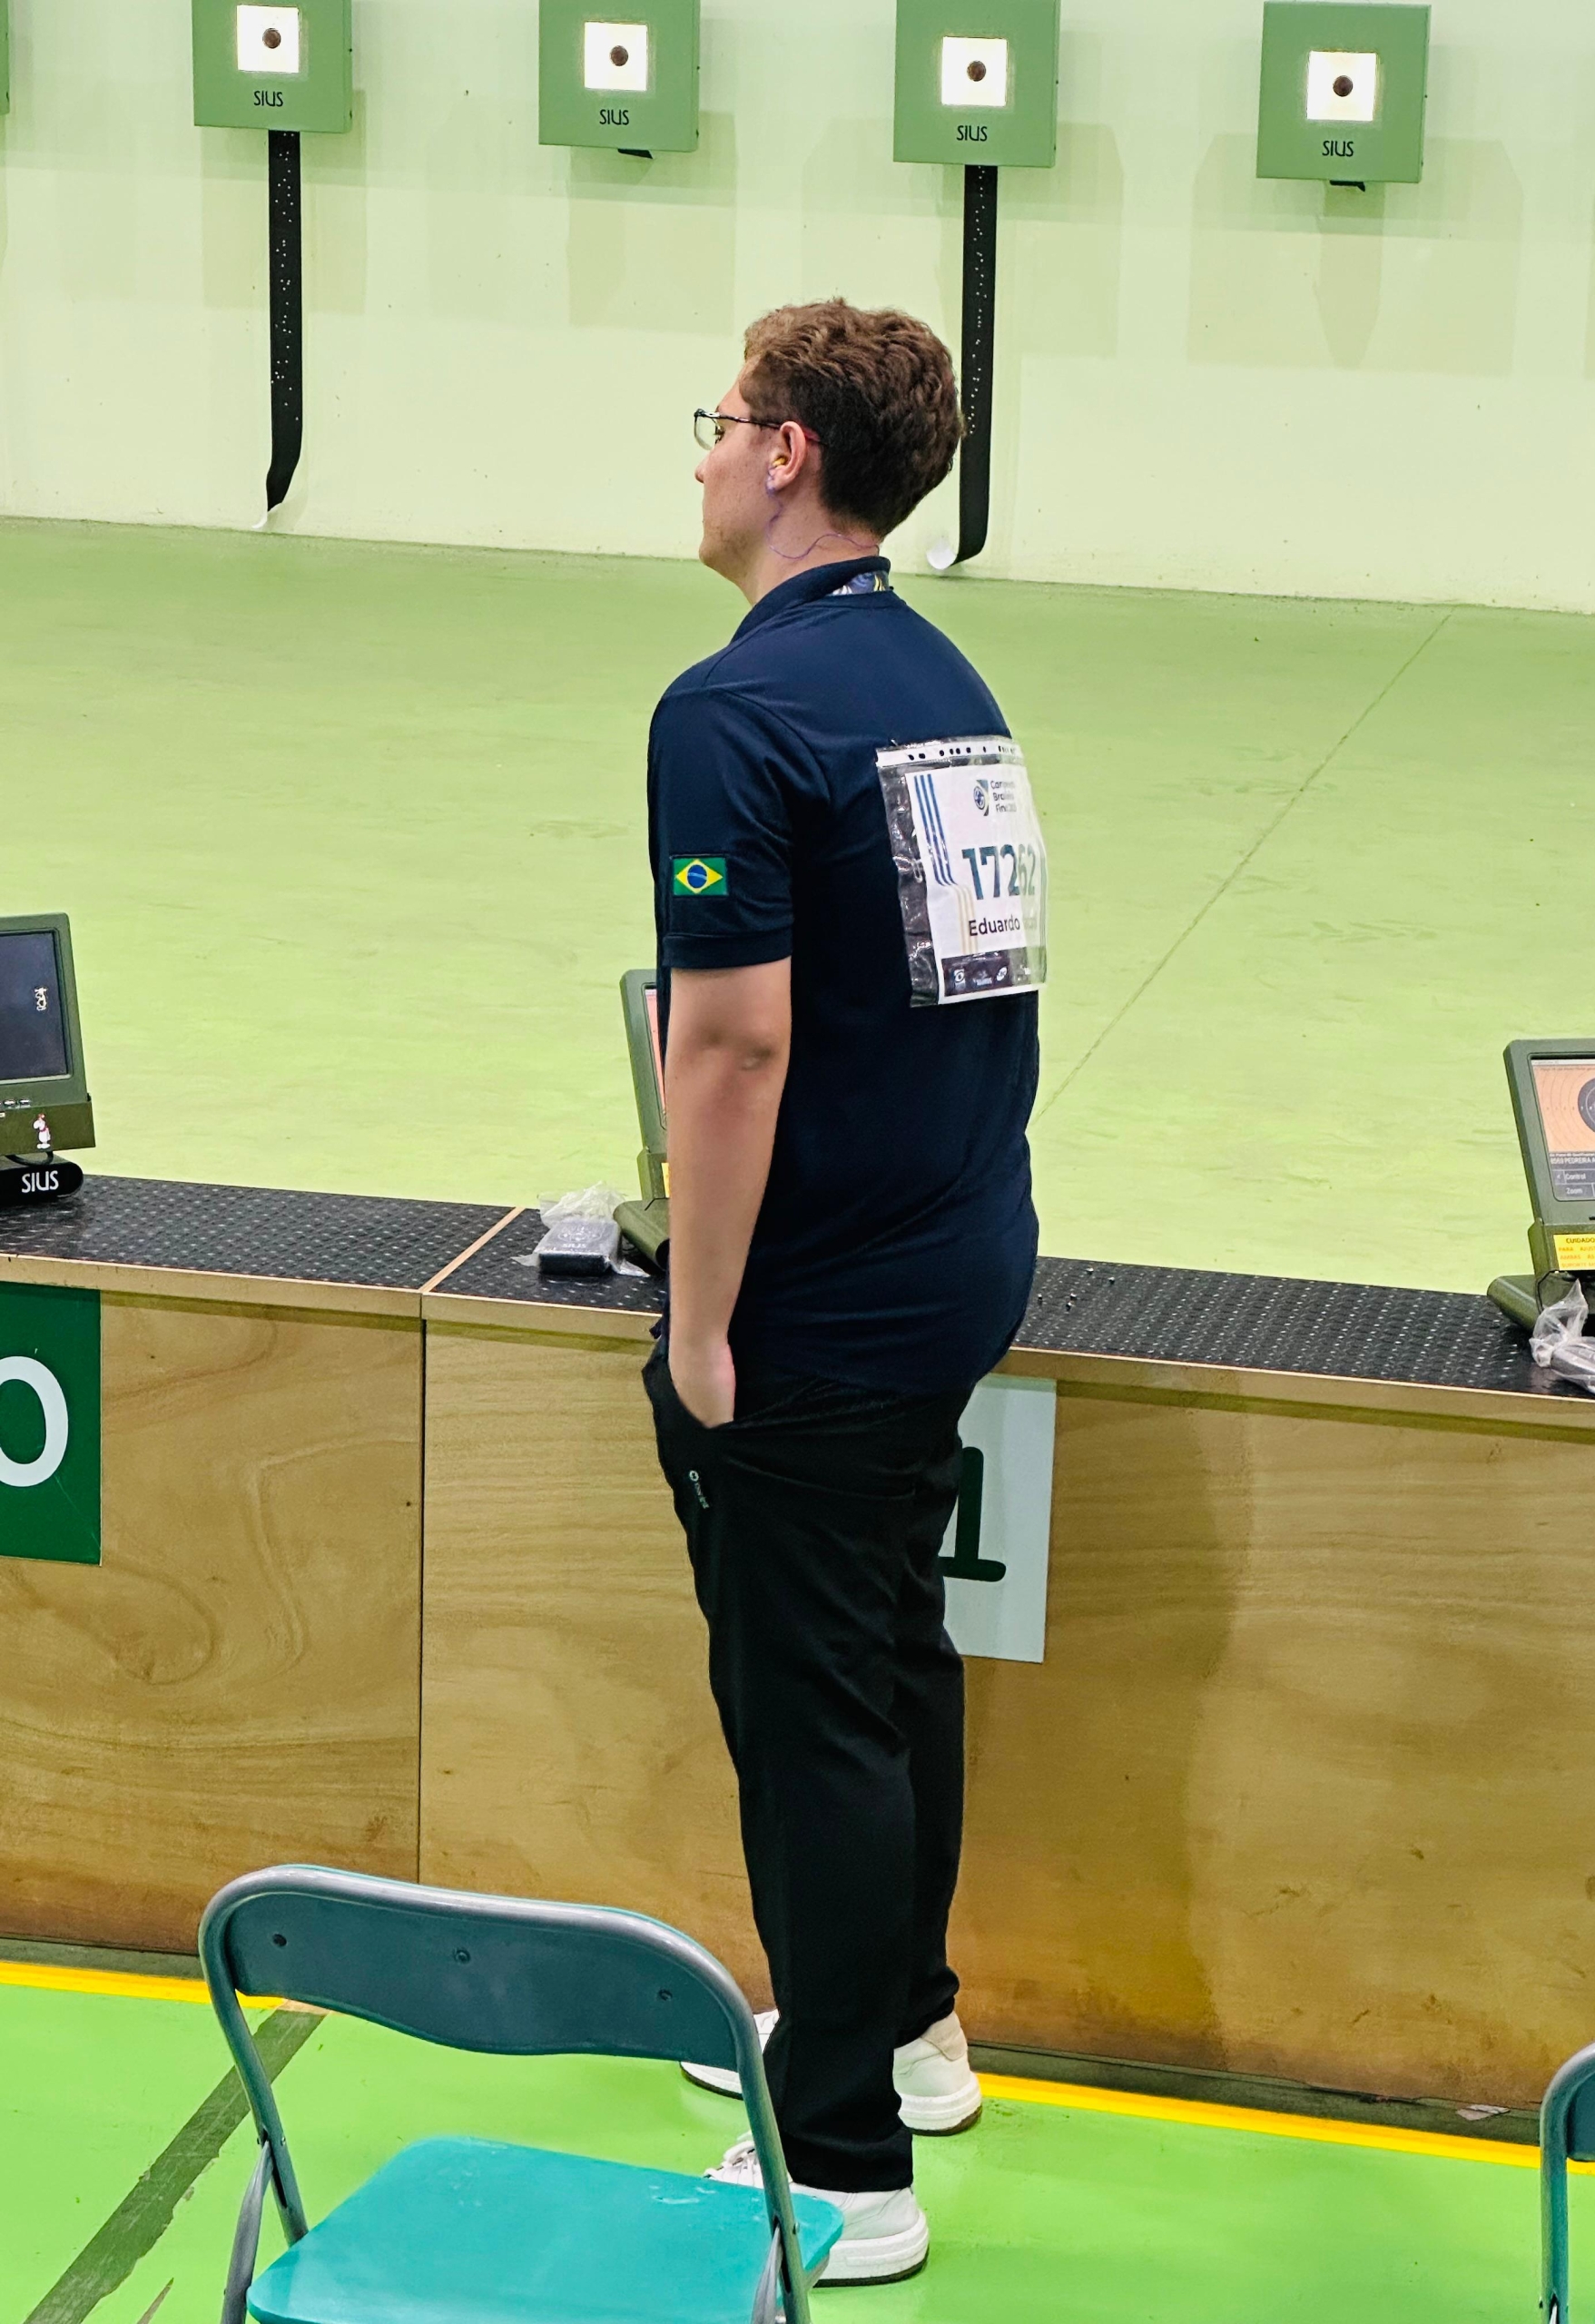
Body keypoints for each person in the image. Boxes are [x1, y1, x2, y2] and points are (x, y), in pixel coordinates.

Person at [641, 298, 1045, 2286]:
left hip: (818, 1312)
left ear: (788, 450)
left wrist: (702, 1325)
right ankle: (901, 2026)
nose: (703, 449)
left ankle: (842, 2161)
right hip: (956, 1258)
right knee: (893, 1656)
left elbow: (732, 1044)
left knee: (810, 1717)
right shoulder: (946, 682)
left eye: (719, 418)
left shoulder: (731, 711)